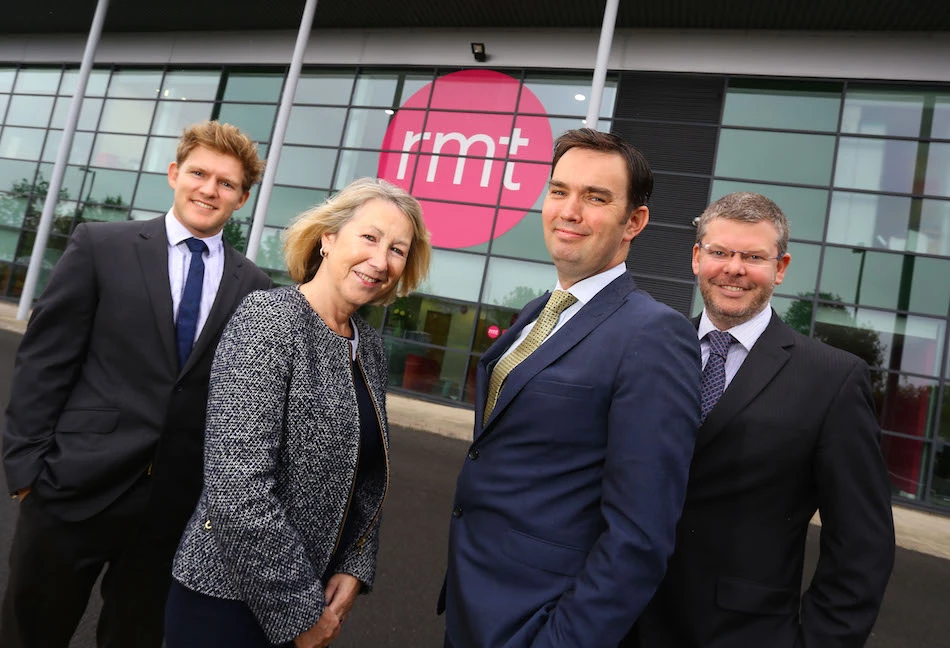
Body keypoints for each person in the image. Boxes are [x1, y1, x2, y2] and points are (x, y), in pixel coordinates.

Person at [0, 120, 273, 647]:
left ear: (241, 198)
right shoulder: (102, 245)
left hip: (172, 508)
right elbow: (44, 361)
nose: (208, 189)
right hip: (71, 486)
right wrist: (27, 469)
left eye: (226, 183)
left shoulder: (255, 288)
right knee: (29, 633)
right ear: (174, 174)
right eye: (199, 173)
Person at [439, 128, 702, 648]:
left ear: (635, 222)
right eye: (559, 191)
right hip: (475, 608)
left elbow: (639, 537)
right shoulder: (539, 312)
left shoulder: (654, 335)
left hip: (538, 624)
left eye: (596, 197)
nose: (569, 210)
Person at [165, 177, 431, 648]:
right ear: (328, 239)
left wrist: (354, 565)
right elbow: (237, 490)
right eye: (369, 237)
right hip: (228, 602)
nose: (380, 260)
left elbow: (366, 477)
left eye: (397, 249)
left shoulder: (368, 346)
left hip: (316, 592)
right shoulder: (268, 319)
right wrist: (300, 613)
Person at [631, 192, 895, 647]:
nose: (733, 268)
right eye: (720, 252)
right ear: (697, 258)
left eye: (753, 256)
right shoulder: (645, 350)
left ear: (781, 268)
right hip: (621, 622)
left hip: (743, 633)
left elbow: (861, 545)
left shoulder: (831, 379)